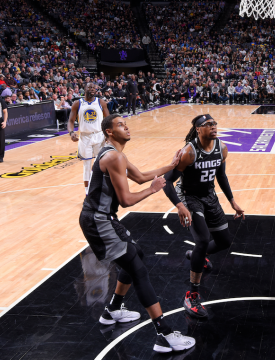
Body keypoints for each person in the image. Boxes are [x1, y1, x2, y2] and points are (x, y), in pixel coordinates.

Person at [78, 114, 195, 353]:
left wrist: (173, 166)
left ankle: (113, 310)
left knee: (137, 255)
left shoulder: (116, 154)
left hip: (103, 218)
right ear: (110, 132)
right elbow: (126, 199)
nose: (126, 127)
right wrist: (153, 191)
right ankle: (163, 334)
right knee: (138, 268)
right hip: (99, 220)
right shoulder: (112, 157)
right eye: (120, 125)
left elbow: (142, 176)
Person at [163, 114, 245, 319]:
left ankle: (197, 256)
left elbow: (221, 176)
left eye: (215, 123)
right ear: (198, 129)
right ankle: (192, 295)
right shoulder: (189, 152)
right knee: (201, 239)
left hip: (209, 195)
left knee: (224, 241)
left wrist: (232, 202)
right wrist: (180, 206)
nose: (213, 126)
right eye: (208, 124)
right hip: (189, 197)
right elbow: (167, 181)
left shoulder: (222, 148)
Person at [68, 83, 110, 189]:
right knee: (86, 166)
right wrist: (71, 132)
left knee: (100, 165)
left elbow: (108, 119)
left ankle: (99, 188)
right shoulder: (77, 103)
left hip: (99, 136)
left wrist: (108, 134)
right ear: (84, 89)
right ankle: (87, 193)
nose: (92, 89)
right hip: (84, 137)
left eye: (94, 88)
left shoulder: (101, 102)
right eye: (89, 87)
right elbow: (71, 121)